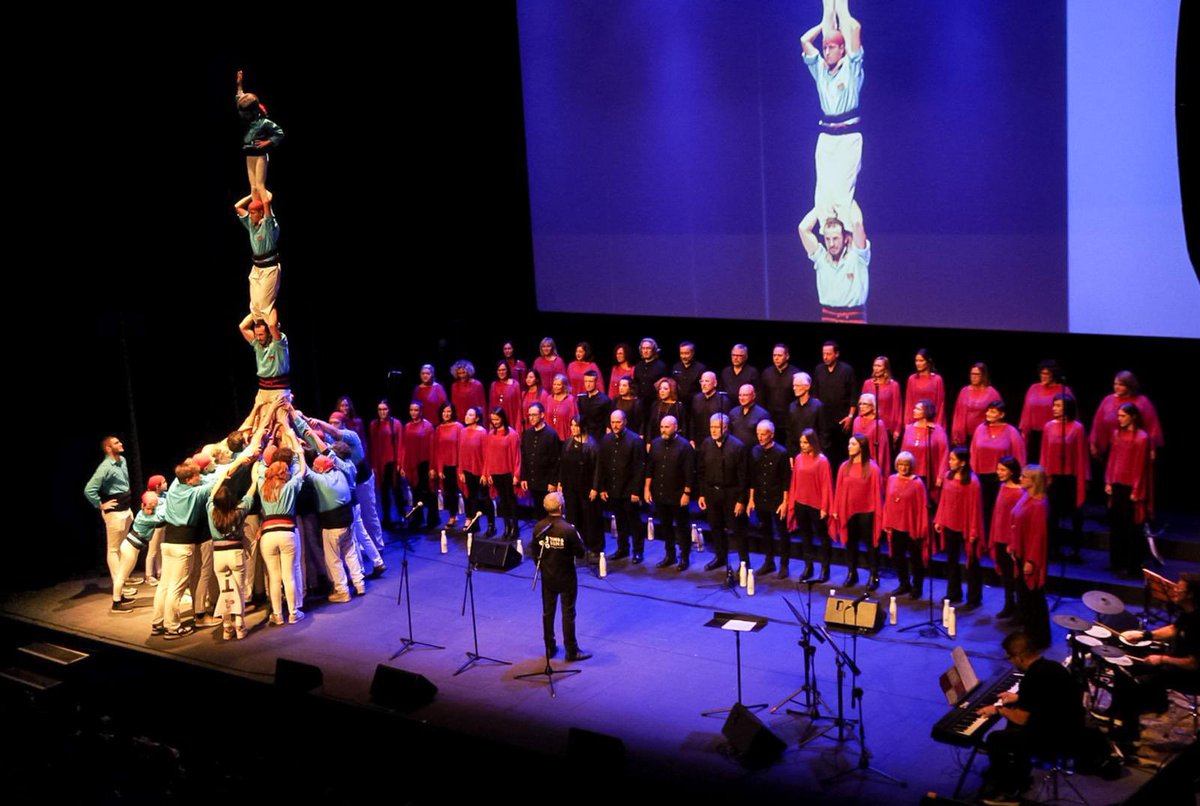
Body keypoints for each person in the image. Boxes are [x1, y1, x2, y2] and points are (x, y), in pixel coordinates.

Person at [977, 631, 1086, 803]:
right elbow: (1047, 695)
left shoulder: (1032, 677)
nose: (1011, 662)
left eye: (1010, 657)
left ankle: (1009, 790)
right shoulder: (1053, 666)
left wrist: (998, 710)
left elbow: (1022, 718)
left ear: (1019, 657)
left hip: (1056, 738)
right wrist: (1019, 698)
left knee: (996, 739)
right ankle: (1019, 772)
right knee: (1012, 726)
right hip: (1073, 727)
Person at [799, 0, 864, 232]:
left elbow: (854, 29)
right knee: (824, 195)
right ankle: (830, 236)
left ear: (842, 49)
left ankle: (848, 238)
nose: (826, 51)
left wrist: (842, 14)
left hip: (848, 135)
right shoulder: (820, 71)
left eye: (831, 47)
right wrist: (824, 24)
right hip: (826, 136)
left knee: (841, 196)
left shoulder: (851, 68)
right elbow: (804, 41)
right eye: (825, 48)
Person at [1113, 574, 1200, 738]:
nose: (1174, 590)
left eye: (1179, 589)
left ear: (1191, 595)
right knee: (1124, 666)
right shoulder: (1189, 612)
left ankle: (1130, 730)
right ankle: (1120, 714)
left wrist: (1161, 659)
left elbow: (1193, 663)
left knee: (1137, 683)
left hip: (1190, 675)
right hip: (1174, 664)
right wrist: (1144, 635)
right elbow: (1174, 628)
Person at [532, 492, 591, 661]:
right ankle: (571, 651)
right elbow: (580, 554)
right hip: (566, 577)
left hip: (548, 576)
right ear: (561, 507)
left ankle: (549, 647)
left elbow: (535, 553)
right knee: (568, 613)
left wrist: (543, 566)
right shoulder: (568, 529)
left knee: (548, 613)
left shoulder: (538, 527)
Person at [207, 456, 261, 639]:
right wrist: (254, 478)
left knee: (226, 590)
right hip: (236, 553)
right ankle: (240, 625)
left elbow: (213, 493)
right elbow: (251, 492)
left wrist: (222, 477)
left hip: (219, 556)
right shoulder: (239, 511)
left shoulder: (210, 510)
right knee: (239, 589)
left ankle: (227, 627)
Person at [84, 435, 135, 613]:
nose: (120, 444)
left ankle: (121, 586)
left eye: (120, 441)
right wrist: (100, 504)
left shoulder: (123, 460)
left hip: (126, 509)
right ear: (107, 448)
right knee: (113, 550)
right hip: (115, 513)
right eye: (116, 443)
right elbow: (89, 489)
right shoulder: (105, 467)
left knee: (123, 548)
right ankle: (117, 590)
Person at [798, 206, 870, 323]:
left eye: (835, 238)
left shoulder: (857, 258)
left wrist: (845, 199)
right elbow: (803, 228)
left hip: (854, 319)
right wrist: (822, 203)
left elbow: (857, 223)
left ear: (845, 238)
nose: (831, 244)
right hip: (828, 318)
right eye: (828, 239)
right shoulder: (821, 258)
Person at [1105, 402, 1153, 577]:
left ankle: (1131, 565)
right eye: (1118, 416)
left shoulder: (1142, 438)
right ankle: (1116, 562)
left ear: (1133, 416)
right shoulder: (1117, 434)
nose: (1120, 419)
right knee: (1116, 526)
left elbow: (1141, 466)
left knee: (1131, 528)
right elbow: (1113, 459)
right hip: (1117, 485)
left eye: (1123, 416)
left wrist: (1137, 489)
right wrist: (1109, 481)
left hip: (1132, 488)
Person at [697, 413, 749, 573]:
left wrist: (741, 500)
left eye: (716, 427)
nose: (713, 430)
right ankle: (720, 557)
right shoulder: (706, 444)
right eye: (711, 427)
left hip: (731, 493)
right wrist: (702, 494)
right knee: (715, 527)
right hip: (712, 492)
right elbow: (701, 471)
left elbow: (743, 475)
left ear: (725, 428)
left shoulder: (737, 446)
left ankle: (744, 563)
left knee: (738, 530)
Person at [934, 447, 985, 609]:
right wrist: (939, 520)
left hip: (966, 526)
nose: (949, 462)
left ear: (963, 462)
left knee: (971, 562)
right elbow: (944, 500)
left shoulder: (972, 482)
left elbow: (975, 509)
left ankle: (974, 598)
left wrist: (973, 531)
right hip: (950, 524)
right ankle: (954, 593)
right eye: (949, 459)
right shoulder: (948, 476)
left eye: (953, 459)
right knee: (951, 561)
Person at [1040, 394, 1088, 562]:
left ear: (1067, 408)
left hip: (1071, 479)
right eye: (1054, 405)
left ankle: (1075, 551)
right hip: (1053, 479)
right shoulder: (1048, 427)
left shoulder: (1077, 428)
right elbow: (1044, 455)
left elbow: (1081, 456)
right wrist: (1043, 477)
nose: (1054, 408)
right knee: (1052, 517)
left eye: (1058, 406)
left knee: (1075, 516)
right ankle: (1053, 550)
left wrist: (1082, 480)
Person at [645, 415, 696, 571]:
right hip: (660, 492)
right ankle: (670, 555)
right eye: (661, 427)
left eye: (666, 427)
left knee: (682, 527)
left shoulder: (685, 446)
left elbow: (689, 473)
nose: (663, 430)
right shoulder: (655, 444)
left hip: (678, 494)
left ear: (675, 427)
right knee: (665, 526)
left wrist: (686, 493)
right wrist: (647, 488)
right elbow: (650, 468)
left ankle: (684, 556)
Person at [831, 434, 883, 590]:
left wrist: (877, 512)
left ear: (862, 446)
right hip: (849, 511)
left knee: (870, 544)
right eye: (849, 444)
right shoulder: (844, 467)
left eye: (853, 444)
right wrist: (836, 509)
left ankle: (874, 575)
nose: (849, 446)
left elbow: (877, 492)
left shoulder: (872, 468)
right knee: (850, 543)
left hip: (867, 511)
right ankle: (852, 573)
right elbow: (839, 489)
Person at [593, 410, 645, 563]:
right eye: (613, 422)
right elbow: (601, 465)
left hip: (629, 490)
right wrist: (602, 488)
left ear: (625, 422)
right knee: (620, 521)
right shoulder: (606, 440)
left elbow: (639, 468)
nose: (615, 425)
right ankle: (622, 549)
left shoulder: (635, 440)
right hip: (613, 488)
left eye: (618, 422)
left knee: (634, 522)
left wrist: (636, 491)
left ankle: (638, 551)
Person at [970, 400, 1025, 535]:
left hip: (1001, 478)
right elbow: (973, 452)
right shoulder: (980, 429)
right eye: (988, 410)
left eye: (992, 411)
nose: (988, 414)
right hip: (981, 476)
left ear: (1002, 414)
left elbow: (1019, 456)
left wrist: (1019, 478)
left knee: (998, 511)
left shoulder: (1011, 431)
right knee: (982, 510)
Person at [1011, 465, 1051, 647]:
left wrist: (1030, 561)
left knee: (1034, 598)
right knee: (1025, 597)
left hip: (1030, 557)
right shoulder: (1026, 498)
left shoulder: (1039, 505)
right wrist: (1013, 545)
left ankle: (1038, 637)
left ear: (1034, 481)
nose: (1020, 479)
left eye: (1024, 477)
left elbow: (1038, 536)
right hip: (1021, 552)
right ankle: (1029, 632)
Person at [788, 428, 834, 582]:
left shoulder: (822, 461)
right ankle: (808, 567)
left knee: (822, 537)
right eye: (801, 442)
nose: (802, 445)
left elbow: (826, 485)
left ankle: (825, 568)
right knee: (805, 536)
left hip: (816, 505)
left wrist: (824, 507)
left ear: (813, 443)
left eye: (805, 442)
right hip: (801, 503)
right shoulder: (799, 458)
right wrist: (793, 501)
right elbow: (794, 481)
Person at [747, 421, 791, 578]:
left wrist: (785, 502)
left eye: (763, 434)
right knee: (765, 531)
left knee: (782, 532)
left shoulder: (781, 453)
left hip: (777, 498)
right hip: (760, 497)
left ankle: (784, 565)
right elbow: (752, 477)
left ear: (771, 435)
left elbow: (786, 480)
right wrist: (751, 500)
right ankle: (769, 562)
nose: (760, 437)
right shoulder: (755, 451)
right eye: (758, 433)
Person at [882, 452, 928, 598]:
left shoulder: (917, 483)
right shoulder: (891, 479)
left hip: (911, 527)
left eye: (906, 465)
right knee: (898, 557)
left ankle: (917, 587)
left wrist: (922, 527)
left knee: (915, 559)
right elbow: (888, 503)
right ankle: (904, 583)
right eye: (900, 465)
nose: (903, 468)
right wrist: (886, 522)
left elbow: (922, 507)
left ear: (911, 466)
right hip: (895, 525)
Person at [1091, 370, 1163, 461]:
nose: (1116, 387)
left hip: (1135, 448)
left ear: (1130, 386)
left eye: (1121, 385)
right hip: (1112, 448)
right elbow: (1098, 423)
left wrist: (1152, 448)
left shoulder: (1142, 402)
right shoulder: (1108, 400)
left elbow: (1152, 426)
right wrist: (1093, 444)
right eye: (1115, 384)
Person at [235, 70, 284, 204]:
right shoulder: (249, 120)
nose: (242, 116)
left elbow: (279, 133)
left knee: (260, 186)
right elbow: (241, 99)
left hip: (260, 155)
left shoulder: (264, 122)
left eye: (244, 113)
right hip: (249, 154)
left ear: (252, 112)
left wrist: (266, 143)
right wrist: (239, 85)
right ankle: (257, 214)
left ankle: (268, 213)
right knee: (254, 187)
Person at [237, 312, 291, 433]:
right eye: (256, 335)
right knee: (260, 428)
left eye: (261, 334)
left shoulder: (279, 344)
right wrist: (255, 311)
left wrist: (267, 307)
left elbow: (272, 325)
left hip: (279, 391)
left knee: (281, 427)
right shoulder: (257, 344)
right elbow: (242, 327)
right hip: (263, 390)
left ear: (269, 334)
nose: (258, 337)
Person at [558, 416, 602, 557]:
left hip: (586, 488)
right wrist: (560, 482)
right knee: (573, 517)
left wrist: (595, 488)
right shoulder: (568, 443)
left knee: (589, 518)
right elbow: (563, 465)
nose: (573, 428)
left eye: (576, 426)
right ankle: (577, 546)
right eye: (572, 425)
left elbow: (597, 468)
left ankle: (593, 547)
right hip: (570, 486)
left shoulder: (591, 445)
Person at [233, 190, 280, 322]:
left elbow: (267, 201)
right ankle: (261, 332)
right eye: (250, 213)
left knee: (265, 306)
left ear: (261, 213)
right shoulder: (251, 225)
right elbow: (237, 207)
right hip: (256, 268)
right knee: (254, 307)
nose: (250, 215)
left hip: (269, 269)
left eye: (253, 213)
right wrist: (252, 193)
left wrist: (260, 188)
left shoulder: (268, 226)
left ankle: (273, 332)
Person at [989, 457, 1025, 621]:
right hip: (1000, 537)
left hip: (1012, 541)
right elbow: (998, 514)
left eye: (1002, 470)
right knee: (1006, 575)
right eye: (998, 469)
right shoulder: (1002, 487)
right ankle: (1008, 604)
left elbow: (1018, 521)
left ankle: (1019, 609)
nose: (999, 473)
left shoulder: (1020, 492)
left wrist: (1013, 542)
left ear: (1012, 471)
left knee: (1015, 576)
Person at [1018, 360, 1073, 464]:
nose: (1043, 376)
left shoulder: (1063, 390)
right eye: (1042, 373)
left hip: (1054, 433)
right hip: (1034, 434)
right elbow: (1026, 410)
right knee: (1034, 463)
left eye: (1046, 374)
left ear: (1054, 374)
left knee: (1049, 462)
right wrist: (1023, 430)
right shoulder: (1033, 388)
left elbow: (1071, 414)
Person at [481, 407, 521, 539]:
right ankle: (507, 526)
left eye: (497, 419)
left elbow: (517, 456)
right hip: (496, 472)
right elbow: (488, 456)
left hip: (508, 473)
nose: (495, 422)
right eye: (492, 419)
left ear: (503, 418)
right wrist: (488, 473)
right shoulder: (491, 434)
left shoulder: (512, 434)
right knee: (502, 502)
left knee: (511, 501)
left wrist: (516, 474)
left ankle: (515, 528)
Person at [521, 402, 562, 524]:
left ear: (542, 415)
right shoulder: (527, 434)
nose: (531, 418)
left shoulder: (551, 434)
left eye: (534, 415)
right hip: (533, 480)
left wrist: (553, 481)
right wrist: (524, 477)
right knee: (538, 510)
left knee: (549, 511)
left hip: (546, 481)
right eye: (529, 415)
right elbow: (525, 457)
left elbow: (556, 461)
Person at [901, 400, 949, 502]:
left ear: (926, 412)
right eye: (914, 408)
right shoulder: (909, 428)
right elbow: (903, 452)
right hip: (910, 473)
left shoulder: (937, 430)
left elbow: (944, 454)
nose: (914, 410)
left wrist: (941, 476)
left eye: (918, 409)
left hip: (928, 476)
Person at [402, 401, 439, 530]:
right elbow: (404, 447)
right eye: (411, 410)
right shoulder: (406, 426)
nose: (413, 412)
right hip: (411, 464)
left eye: (416, 410)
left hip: (424, 464)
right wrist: (403, 465)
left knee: (429, 492)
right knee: (416, 492)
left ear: (421, 411)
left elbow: (432, 447)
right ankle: (418, 518)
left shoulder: (428, 426)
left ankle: (432, 519)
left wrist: (432, 467)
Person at [368, 400, 404, 528]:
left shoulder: (396, 424)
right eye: (380, 409)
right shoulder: (374, 425)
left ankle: (402, 516)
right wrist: (373, 464)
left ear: (389, 410)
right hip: (380, 463)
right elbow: (373, 445)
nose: (382, 412)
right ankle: (387, 518)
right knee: (384, 493)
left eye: (385, 409)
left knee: (397, 491)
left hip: (393, 462)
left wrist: (400, 462)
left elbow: (400, 444)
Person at [951, 363, 1001, 447]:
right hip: (966, 436)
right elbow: (957, 414)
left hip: (984, 436)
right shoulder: (964, 391)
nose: (973, 377)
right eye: (972, 374)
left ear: (983, 375)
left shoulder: (992, 393)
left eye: (977, 374)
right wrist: (956, 434)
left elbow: (999, 415)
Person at [457, 407, 488, 533]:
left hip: (480, 470)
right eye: (466, 414)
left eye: (470, 415)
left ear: (477, 418)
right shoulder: (463, 432)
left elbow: (486, 454)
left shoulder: (482, 432)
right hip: (467, 469)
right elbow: (460, 452)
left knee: (484, 497)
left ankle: (489, 524)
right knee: (470, 496)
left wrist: (485, 473)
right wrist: (460, 471)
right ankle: (470, 520)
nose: (466, 417)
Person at [432, 402, 464, 527]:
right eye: (444, 411)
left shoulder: (459, 427)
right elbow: (437, 450)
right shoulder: (439, 429)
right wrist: (439, 468)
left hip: (457, 464)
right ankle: (452, 516)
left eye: (449, 411)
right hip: (445, 466)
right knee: (449, 492)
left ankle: (469, 517)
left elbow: (462, 447)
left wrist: (460, 466)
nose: (446, 414)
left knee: (461, 490)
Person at [759, 344, 795, 448]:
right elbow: (762, 397)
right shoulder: (767, 373)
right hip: (771, 420)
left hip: (788, 422)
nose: (776, 358)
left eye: (779, 355)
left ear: (787, 356)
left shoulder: (795, 374)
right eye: (774, 355)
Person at [862, 356, 902, 449]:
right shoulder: (867, 384)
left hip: (887, 427)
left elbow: (897, 408)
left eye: (879, 366)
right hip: (869, 426)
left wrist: (897, 429)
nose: (876, 368)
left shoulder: (894, 385)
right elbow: (862, 406)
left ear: (886, 368)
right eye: (874, 366)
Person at [904, 349, 945, 429]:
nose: (918, 363)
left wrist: (937, 425)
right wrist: (907, 423)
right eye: (916, 361)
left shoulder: (937, 380)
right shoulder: (912, 379)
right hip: (915, 423)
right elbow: (908, 403)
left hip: (931, 424)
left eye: (921, 360)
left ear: (928, 362)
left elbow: (940, 405)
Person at [851, 392, 890, 476]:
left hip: (872, 462)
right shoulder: (856, 421)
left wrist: (876, 467)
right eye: (860, 404)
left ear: (873, 406)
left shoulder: (878, 424)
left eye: (865, 404)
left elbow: (882, 450)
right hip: (858, 461)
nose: (861, 406)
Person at [787, 372, 824, 459]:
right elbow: (789, 433)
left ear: (807, 386)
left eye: (797, 385)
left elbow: (823, 432)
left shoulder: (817, 406)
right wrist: (790, 455)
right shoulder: (792, 407)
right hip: (796, 452)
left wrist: (820, 452)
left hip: (814, 452)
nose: (794, 388)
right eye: (793, 385)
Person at [691, 371, 731, 446]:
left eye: (707, 381)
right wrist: (692, 439)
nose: (703, 384)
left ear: (715, 383)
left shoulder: (722, 400)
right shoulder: (696, 398)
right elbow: (692, 420)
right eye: (702, 381)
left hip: (716, 440)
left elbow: (726, 424)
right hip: (699, 440)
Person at [646, 377, 688, 444]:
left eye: (665, 389)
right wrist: (648, 441)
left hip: (674, 443)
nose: (662, 391)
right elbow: (650, 425)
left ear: (671, 390)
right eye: (660, 389)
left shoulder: (678, 407)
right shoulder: (655, 405)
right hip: (656, 441)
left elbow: (683, 426)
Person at [576, 369, 612, 443]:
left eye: (590, 381)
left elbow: (608, 423)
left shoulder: (604, 400)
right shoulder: (581, 398)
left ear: (596, 382)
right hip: (585, 437)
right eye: (585, 381)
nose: (587, 384)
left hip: (598, 438)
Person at [489, 359, 525, 433]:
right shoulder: (493, 385)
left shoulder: (515, 385)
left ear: (507, 370)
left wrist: (518, 425)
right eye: (499, 370)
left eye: (503, 370)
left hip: (511, 420)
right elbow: (491, 406)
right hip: (497, 423)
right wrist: (491, 423)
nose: (501, 372)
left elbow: (519, 406)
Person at [633, 338, 668, 411]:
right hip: (639, 404)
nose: (645, 351)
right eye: (643, 348)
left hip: (655, 405)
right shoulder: (638, 366)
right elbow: (635, 383)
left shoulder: (661, 366)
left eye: (648, 348)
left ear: (654, 350)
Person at [545, 373, 578, 441]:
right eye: (554, 384)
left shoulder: (570, 400)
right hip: (549, 438)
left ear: (564, 386)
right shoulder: (549, 399)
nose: (556, 387)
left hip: (564, 439)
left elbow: (575, 420)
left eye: (558, 384)